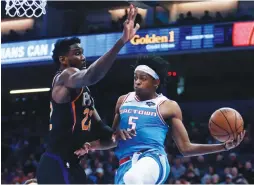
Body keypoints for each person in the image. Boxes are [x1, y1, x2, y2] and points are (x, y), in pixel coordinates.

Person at [74, 56, 246, 184]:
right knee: (130, 178)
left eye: (143, 78)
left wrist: (223, 146)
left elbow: (185, 148)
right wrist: (92, 146)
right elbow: (111, 140)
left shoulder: (167, 106)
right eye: (135, 77)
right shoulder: (122, 100)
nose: (137, 82)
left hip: (153, 159)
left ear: (156, 81)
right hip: (126, 165)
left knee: (134, 179)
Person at [36, 4, 140, 184]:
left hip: (71, 163)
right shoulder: (64, 76)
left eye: (83, 53)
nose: (83, 57)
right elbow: (92, 75)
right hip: (56, 163)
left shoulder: (84, 94)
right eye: (77, 53)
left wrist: (117, 136)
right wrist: (121, 41)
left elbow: (103, 131)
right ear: (63, 59)